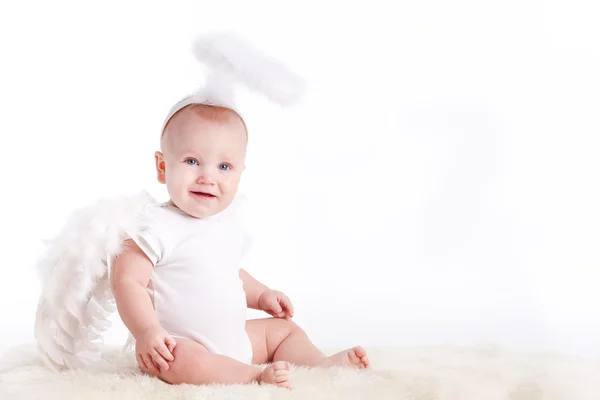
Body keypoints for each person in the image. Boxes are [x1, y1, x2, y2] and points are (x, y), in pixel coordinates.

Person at [111, 102, 370, 389]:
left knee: (284, 331)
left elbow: (229, 273)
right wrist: (147, 331)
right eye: (192, 161)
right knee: (179, 360)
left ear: (239, 173)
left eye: (224, 166)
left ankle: (320, 364)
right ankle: (253, 376)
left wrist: (262, 296)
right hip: (178, 346)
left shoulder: (225, 224)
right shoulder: (155, 224)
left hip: (237, 341)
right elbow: (127, 280)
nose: (207, 177)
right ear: (162, 167)